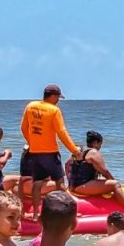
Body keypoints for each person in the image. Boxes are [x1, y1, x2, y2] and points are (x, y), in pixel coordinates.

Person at [19, 84, 82, 219]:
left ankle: (36, 214)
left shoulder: (30, 106)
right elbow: (62, 132)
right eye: (58, 97)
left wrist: (32, 142)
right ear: (53, 96)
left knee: (37, 183)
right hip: (50, 152)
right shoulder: (54, 110)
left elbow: (24, 128)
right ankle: (69, 213)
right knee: (60, 182)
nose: (58, 100)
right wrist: (74, 150)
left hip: (35, 152)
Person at [65, 131, 124, 213]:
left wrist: (70, 183)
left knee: (102, 179)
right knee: (115, 184)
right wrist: (116, 184)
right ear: (95, 143)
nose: (100, 147)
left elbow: (67, 164)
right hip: (81, 187)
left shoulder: (78, 150)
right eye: (100, 144)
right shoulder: (93, 152)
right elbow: (105, 172)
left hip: (73, 187)